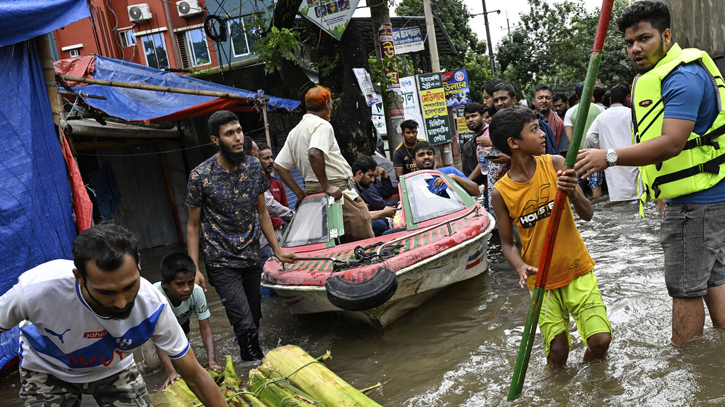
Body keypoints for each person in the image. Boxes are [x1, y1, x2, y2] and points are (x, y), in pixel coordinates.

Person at [576, 0, 725, 346]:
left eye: (644, 39)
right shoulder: (672, 72)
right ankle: (714, 365)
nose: (635, 49)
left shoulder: (682, 77)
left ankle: (688, 372)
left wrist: (608, 157)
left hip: (695, 203)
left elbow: (672, 143)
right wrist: (662, 194)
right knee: (715, 279)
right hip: (703, 196)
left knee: (686, 289)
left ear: (667, 35)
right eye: (629, 43)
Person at [0, 223, 226, 406]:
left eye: (129, 287)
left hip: (114, 369)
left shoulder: (153, 305)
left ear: (138, 267)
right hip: (47, 368)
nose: (120, 303)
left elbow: (195, 375)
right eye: (106, 292)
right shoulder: (37, 290)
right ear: (79, 278)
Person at [489, 107, 612, 367]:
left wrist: (573, 193)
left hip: (577, 269)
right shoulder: (501, 191)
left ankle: (591, 379)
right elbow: (507, 244)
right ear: (513, 143)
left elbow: (587, 213)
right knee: (557, 352)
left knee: (600, 340)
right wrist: (520, 266)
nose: (542, 133)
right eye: (534, 129)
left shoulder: (556, 164)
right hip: (541, 280)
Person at [186, 110, 296, 361]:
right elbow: (192, 225)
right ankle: (257, 366)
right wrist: (194, 268)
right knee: (243, 323)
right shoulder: (200, 176)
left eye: (239, 131)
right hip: (220, 261)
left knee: (255, 318)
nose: (237, 138)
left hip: (251, 256)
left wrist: (276, 249)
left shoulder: (253, 166)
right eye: (229, 134)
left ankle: (251, 361)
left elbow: (262, 212)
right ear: (215, 140)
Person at [274, 85, 374, 243]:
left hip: (312, 197)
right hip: (337, 193)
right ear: (327, 104)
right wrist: (326, 186)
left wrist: (300, 194)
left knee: (331, 246)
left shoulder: (295, 131)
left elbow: (279, 166)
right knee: (364, 242)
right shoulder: (322, 125)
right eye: (331, 103)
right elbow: (314, 153)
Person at [141, 252, 223, 390]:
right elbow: (159, 338)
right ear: (165, 284)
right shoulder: (155, 297)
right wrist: (171, 372)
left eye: (190, 282)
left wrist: (212, 360)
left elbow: (205, 327)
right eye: (180, 284)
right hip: (152, 332)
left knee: (183, 362)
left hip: (180, 326)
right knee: (153, 365)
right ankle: (142, 367)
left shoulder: (196, 292)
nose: (187, 289)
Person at [584, 83, 639, 203]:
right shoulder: (632, 114)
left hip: (611, 162)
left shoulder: (601, 116)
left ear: (610, 100)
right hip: (632, 159)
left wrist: (593, 151)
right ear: (626, 99)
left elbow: (589, 137)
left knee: (617, 201)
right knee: (637, 199)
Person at [564, 82, 605, 198]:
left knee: (577, 186)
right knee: (596, 186)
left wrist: (581, 151)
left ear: (577, 97)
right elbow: (604, 134)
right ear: (592, 94)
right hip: (596, 154)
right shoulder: (601, 110)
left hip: (578, 155)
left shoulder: (570, 112)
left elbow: (570, 138)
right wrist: (597, 149)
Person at [257, 142, 294, 265]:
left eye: (271, 157)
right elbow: (272, 206)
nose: (271, 161)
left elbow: (284, 209)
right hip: (264, 238)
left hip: (279, 234)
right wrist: (296, 216)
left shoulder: (277, 183)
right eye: (266, 158)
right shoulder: (255, 183)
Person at [412, 141, 480, 197]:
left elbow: (476, 191)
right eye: (421, 155)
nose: (426, 157)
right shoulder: (412, 185)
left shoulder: (450, 171)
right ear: (414, 162)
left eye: (429, 153)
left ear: (434, 157)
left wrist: (454, 178)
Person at [351, 156, 397, 236]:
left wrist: (384, 176)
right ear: (359, 173)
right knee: (380, 224)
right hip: (355, 227)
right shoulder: (352, 190)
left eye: (373, 176)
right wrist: (384, 212)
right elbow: (360, 217)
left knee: (384, 221)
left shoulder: (363, 185)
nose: (372, 180)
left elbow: (385, 193)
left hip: (364, 217)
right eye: (370, 176)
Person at [533, 84, 567, 155]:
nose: (544, 101)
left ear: (551, 102)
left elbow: (562, 150)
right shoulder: (526, 119)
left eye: (547, 98)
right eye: (540, 98)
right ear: (534, 101)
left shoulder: (558, 122)